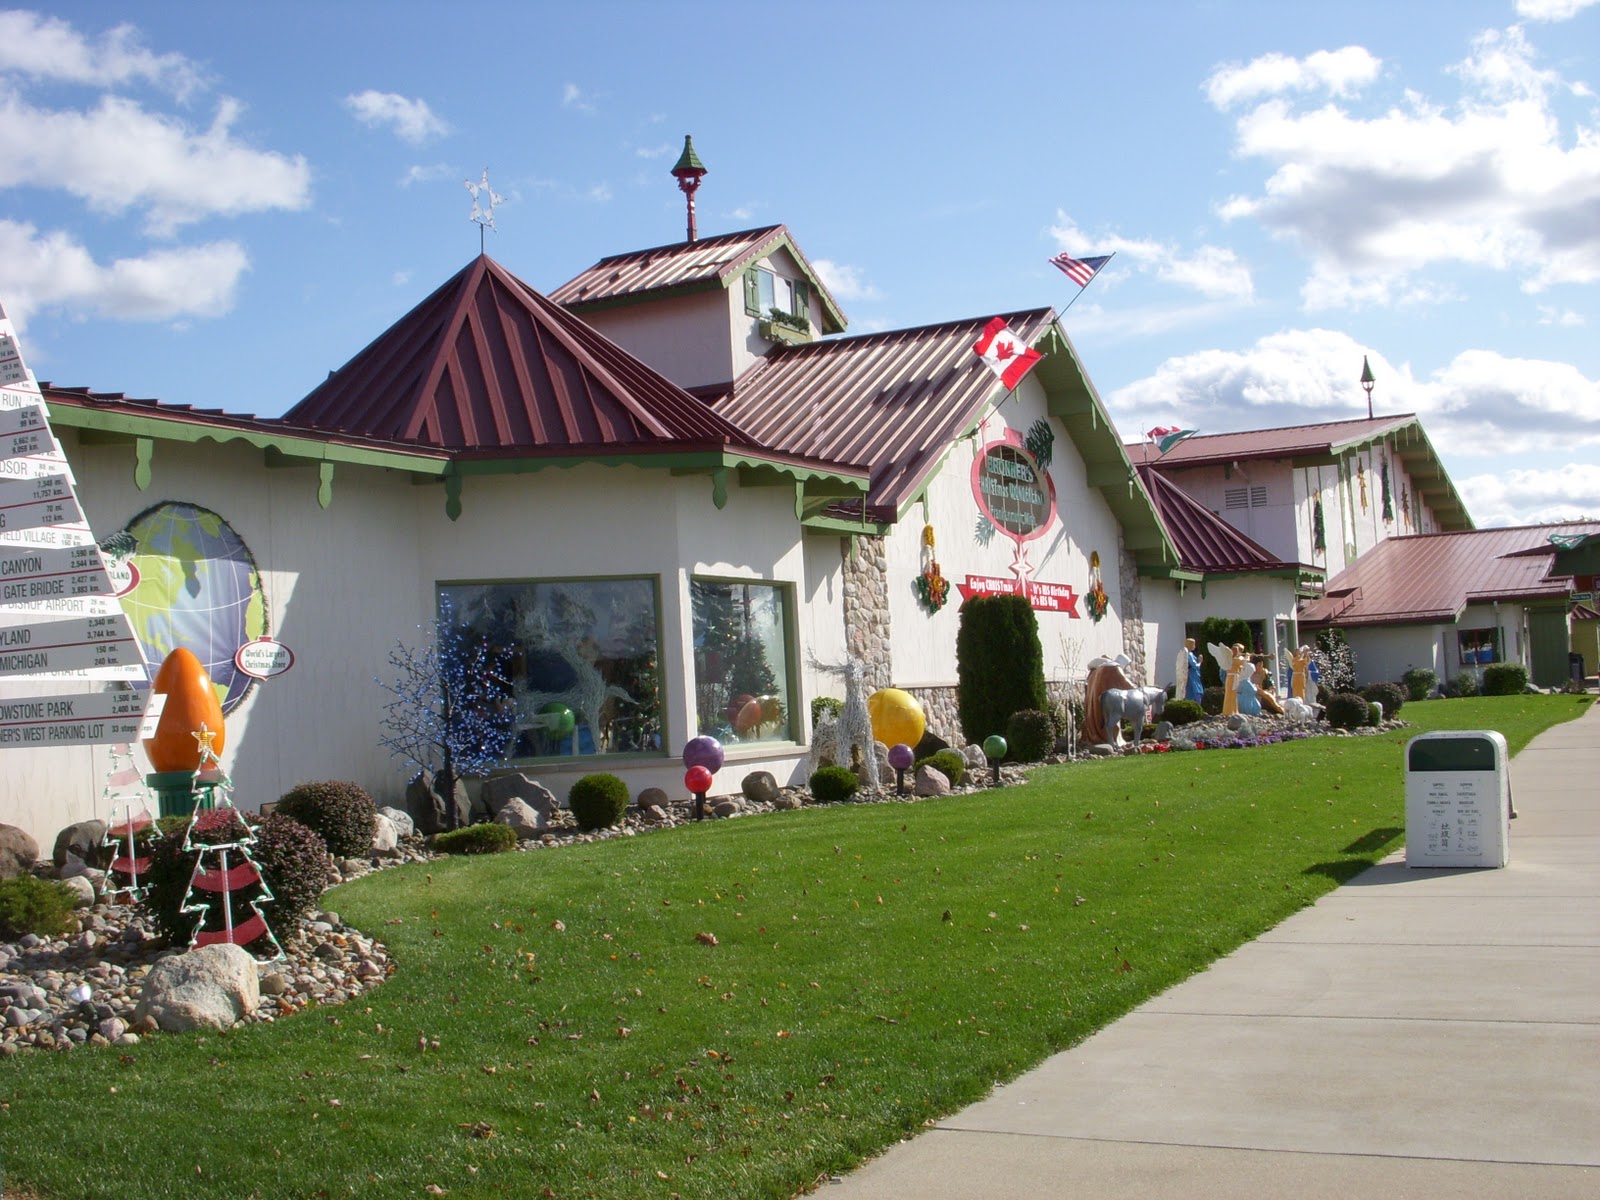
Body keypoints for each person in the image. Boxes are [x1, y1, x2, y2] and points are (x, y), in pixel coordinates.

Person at [1181, 638, 1204, 704]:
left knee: (1191, 693)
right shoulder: (1189, 654)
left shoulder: (1188, 654)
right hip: (1193, 676)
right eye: (1193, 644)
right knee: (1197, 693)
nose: (1194, 646)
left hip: (1191, 675)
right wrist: (1200, 662)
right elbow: (1195, 666)